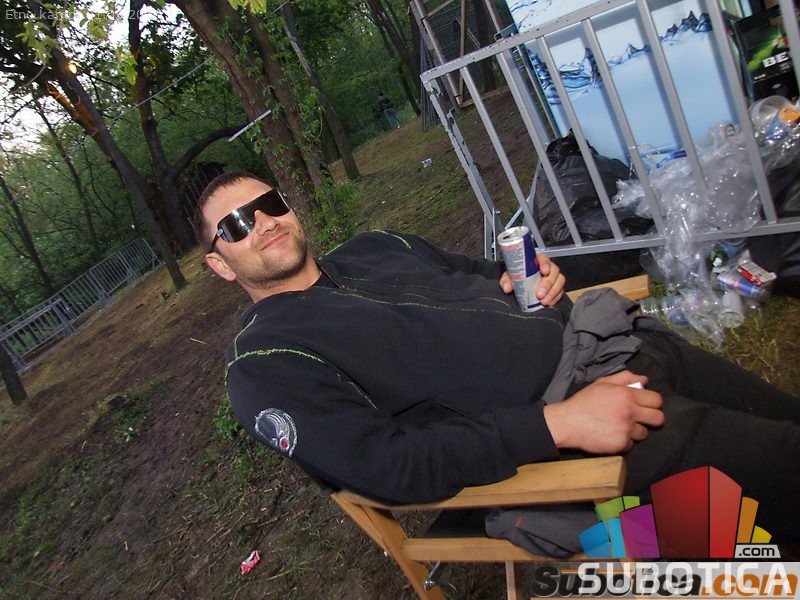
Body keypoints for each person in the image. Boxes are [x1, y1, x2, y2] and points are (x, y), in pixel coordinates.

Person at [196, 171, 800, 543]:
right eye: (237, 225)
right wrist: (557, 425)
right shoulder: (264, 361)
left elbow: (494, 276)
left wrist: (538, 274)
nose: (263, 223)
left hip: (615, 341)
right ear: (221, 265)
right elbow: (386, 466)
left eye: (269, 202)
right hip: (578, 430)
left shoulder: (376, 247)